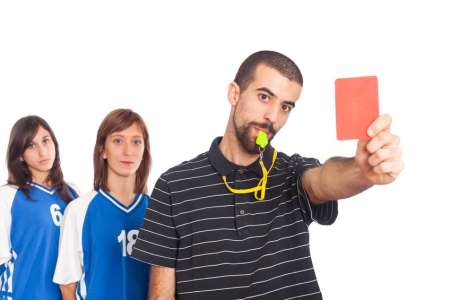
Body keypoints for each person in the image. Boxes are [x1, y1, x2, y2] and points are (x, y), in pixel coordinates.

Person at [131, 50, 404, 299]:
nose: (273, 116)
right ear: (234, 94)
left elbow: (323, 181)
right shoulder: (173, 185)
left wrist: (362, 170)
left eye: (285, 106)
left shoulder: (291, 172)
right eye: (264, 97)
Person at [53, 109, 151, 300]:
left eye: (136, 141)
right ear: (102, 150)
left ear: (144, 150)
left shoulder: (158, 209)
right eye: (118, 140)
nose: (128, 151)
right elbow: (67, 286)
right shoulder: (79, 210)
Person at [0, 116, 78, 300]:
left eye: (45, 141)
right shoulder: (8, 196)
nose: (42, 152)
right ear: (19, 154)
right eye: (31, 146)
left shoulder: (73, 194)